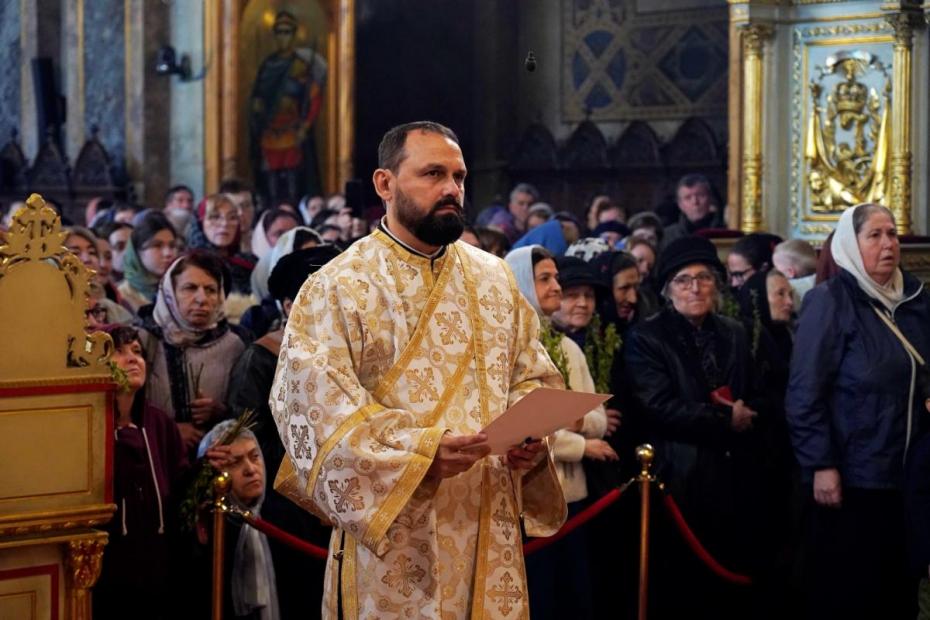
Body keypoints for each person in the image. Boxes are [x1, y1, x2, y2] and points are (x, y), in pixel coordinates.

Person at [270, 121, 567, 618]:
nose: (451, 189)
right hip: (393, 536)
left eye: (458, 176)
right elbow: (312, 413)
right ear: (385, 183)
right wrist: (422, 454)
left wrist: (529, 438)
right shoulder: (338, 286)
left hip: (487, 519)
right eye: (433, 174)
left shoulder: (494, 278)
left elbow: (532, 376)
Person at [786, 203, 930, 619]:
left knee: (899, 591)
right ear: (851, 244)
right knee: (853, 591)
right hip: (854, 477)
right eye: (875, 235)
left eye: (893, 234)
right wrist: (821, 464)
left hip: (910, 476)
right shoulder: (830, 301)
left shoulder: (916, 299)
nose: (888, 244)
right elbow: (804, 393)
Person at [622, 236, 770, 619]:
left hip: (734, 472)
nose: (695, 288)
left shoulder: (734, 331)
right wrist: (725, 419)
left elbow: (755, 389)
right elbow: (657, 406)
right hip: (679, 474)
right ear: (668, 289)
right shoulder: (646, 337)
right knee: (682, 584)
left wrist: (749, 410)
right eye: (684, 280)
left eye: (704, 278)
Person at [228, 246, 340, 619]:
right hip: (288, 505)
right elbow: (249, 436)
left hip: (346, 496)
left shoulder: (352, 351)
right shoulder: (261, 357)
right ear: (290, 305)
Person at [506, 246, 616, 620]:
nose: (557, 286)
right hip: (526, 493)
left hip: (574, 494)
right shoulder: (507, 347)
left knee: (573, 594)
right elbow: (519, 425)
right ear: (521, 282)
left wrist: (572, 420)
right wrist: (579, 443)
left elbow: (599, 419)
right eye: (544, 279)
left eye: (556, 278)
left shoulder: (567, 346)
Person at [93, 325, 189, 620]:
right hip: (108, 565)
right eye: (118, 352)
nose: (132, 358)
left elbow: (179, 481)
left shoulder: (159, 422)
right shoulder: (90, 421)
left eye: (136, 351)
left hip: (156, 561)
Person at [137, 251, 246, 453]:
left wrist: (220, 411)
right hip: (154, 456)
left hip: (215, 456)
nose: (201, 299)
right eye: (190, 288)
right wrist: (169, 430)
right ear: (170, 293)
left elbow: (246, 414)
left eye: (211, 290)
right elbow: (124, 410)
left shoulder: (234, 345)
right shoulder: (141, 341)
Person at [192, 421, 280, 620]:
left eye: (254, 456)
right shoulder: (209, 528)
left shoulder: (284, 518)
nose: (250, 469)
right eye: (235, 462)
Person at [250, 10, 327, 207]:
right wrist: (257, 107)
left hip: (292, 128)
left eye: (287, 32)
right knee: (270, 175)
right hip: (270, 129)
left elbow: (314, 98)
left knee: (293, 173)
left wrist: (305, 126)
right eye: (279, 32)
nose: (283, 37)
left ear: (293, 35)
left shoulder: (300, 66)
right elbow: (258, 97)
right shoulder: (268, 65)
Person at [118, 212, 179, 313]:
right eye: (157, 246)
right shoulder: (121, 296)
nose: (168, 253)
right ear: (137, 252)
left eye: (172, 246)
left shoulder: (181, 288)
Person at [660, 174, 725, 250]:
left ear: (710, 199)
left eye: (700, 195)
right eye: (688, 198)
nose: (695, 202)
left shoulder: (724, 233)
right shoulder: (667, 237)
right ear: (680, 205)